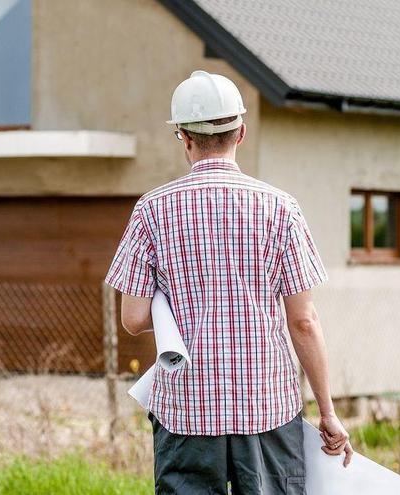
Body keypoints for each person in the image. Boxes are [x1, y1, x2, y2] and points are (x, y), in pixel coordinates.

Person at [105, 70, 351, 494]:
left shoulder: (151, 211)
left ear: (182, 136)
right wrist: (327, 412)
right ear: (241, 132)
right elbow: (304, 321)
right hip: (267, 409)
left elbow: (132, 317)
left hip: (186, 411)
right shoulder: (281, 209)